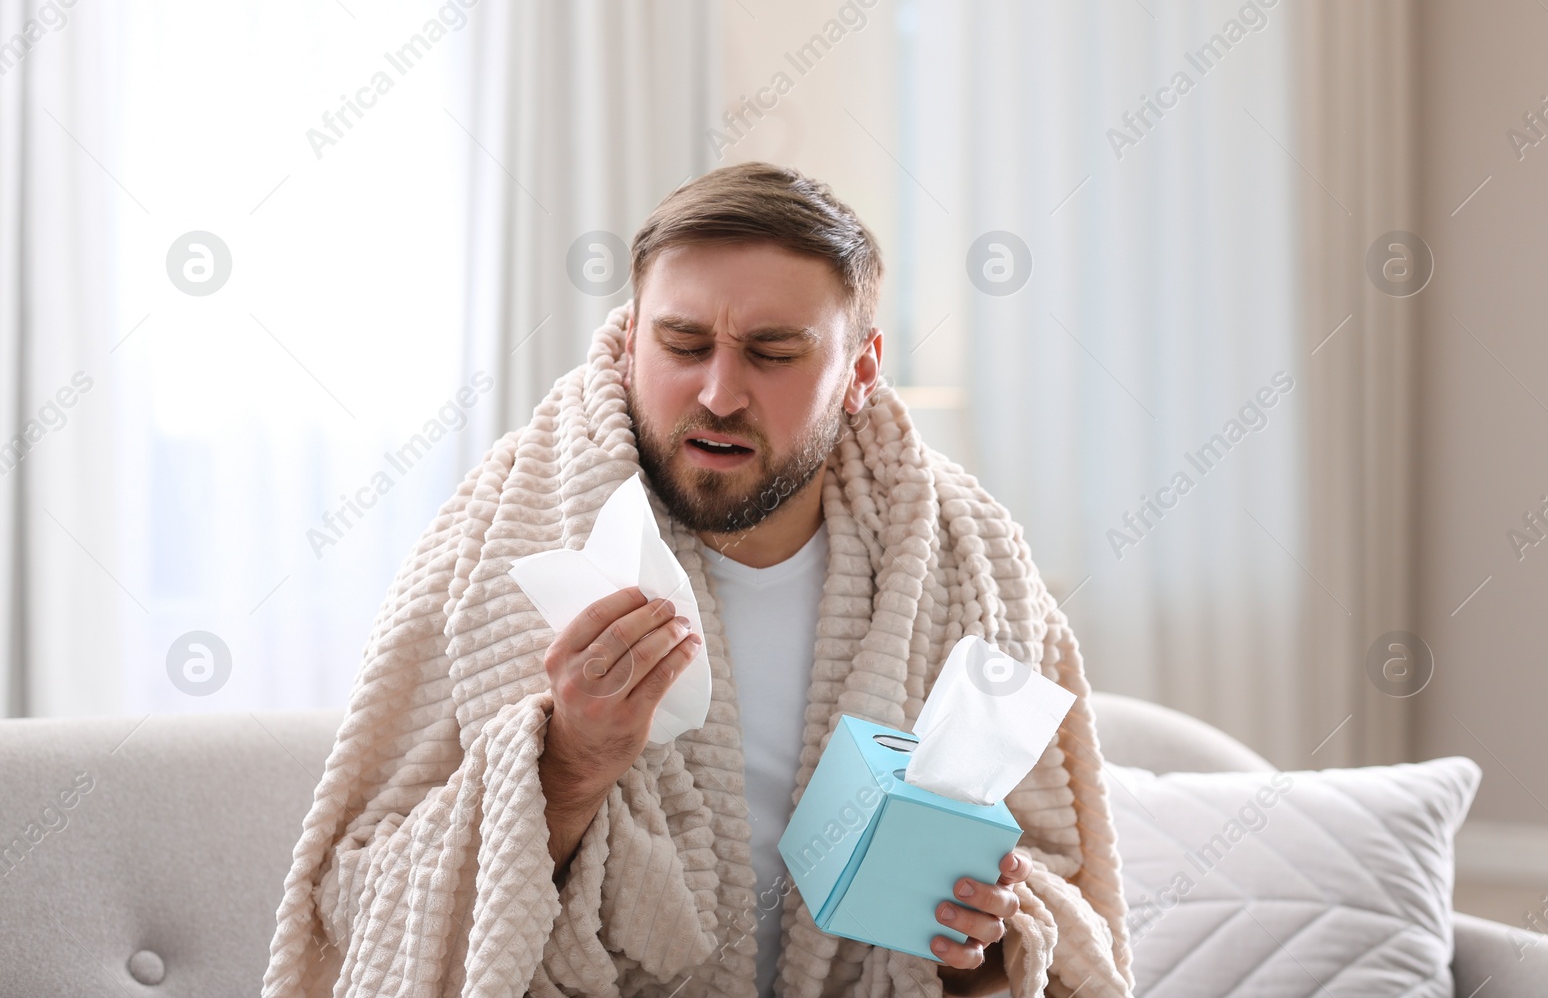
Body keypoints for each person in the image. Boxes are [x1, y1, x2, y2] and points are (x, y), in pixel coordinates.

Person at [261, 163, 1134, 998]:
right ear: (632, 336)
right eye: (683, 343)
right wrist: (567, 764)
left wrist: (973, 952)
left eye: (772, 353)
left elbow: (1058, 901)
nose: (718, 391)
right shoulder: (491, 541)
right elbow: (364, 900)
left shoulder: (970, 564)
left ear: (860, 371)